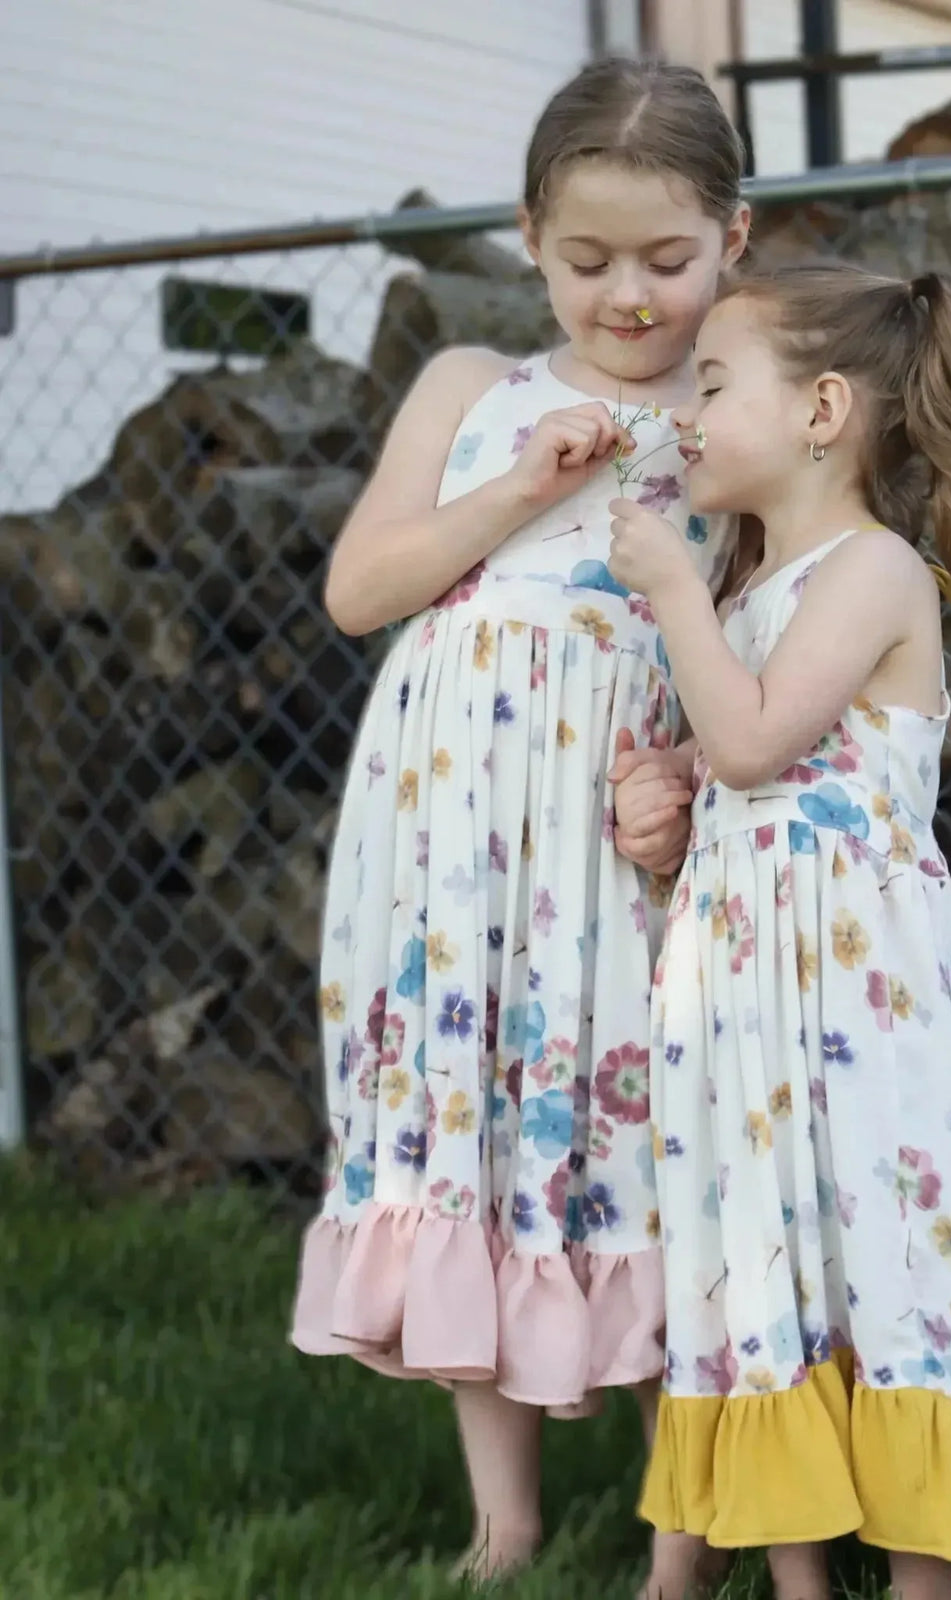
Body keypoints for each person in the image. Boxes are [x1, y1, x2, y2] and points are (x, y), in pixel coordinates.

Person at [289, 56, 749, 1584]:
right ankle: (509, 1522)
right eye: (587, 259)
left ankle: (682, 1539)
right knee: (477, 1121)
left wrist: (681, 783)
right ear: (531, 236)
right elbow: (362, 593)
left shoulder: (736, 410)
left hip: (619, 826)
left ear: (734, 243)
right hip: (447, 836)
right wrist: (520, 493)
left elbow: (761, 621)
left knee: (641, 1126)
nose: (627, 297)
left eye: (668, 261)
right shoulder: (473, 390)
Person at [606, 263, 951, 1600]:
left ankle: (922, 1575)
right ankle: (792, 1569)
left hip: (859, 998)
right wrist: (667, 805)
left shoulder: (874, 571)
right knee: (766, 1248)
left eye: (711, 384)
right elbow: (732, 765)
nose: (684, 415)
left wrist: (672, 600)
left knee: (886, 1245)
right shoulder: (755, 576)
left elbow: (761, 741)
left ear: (823, 408)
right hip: (748, 986)